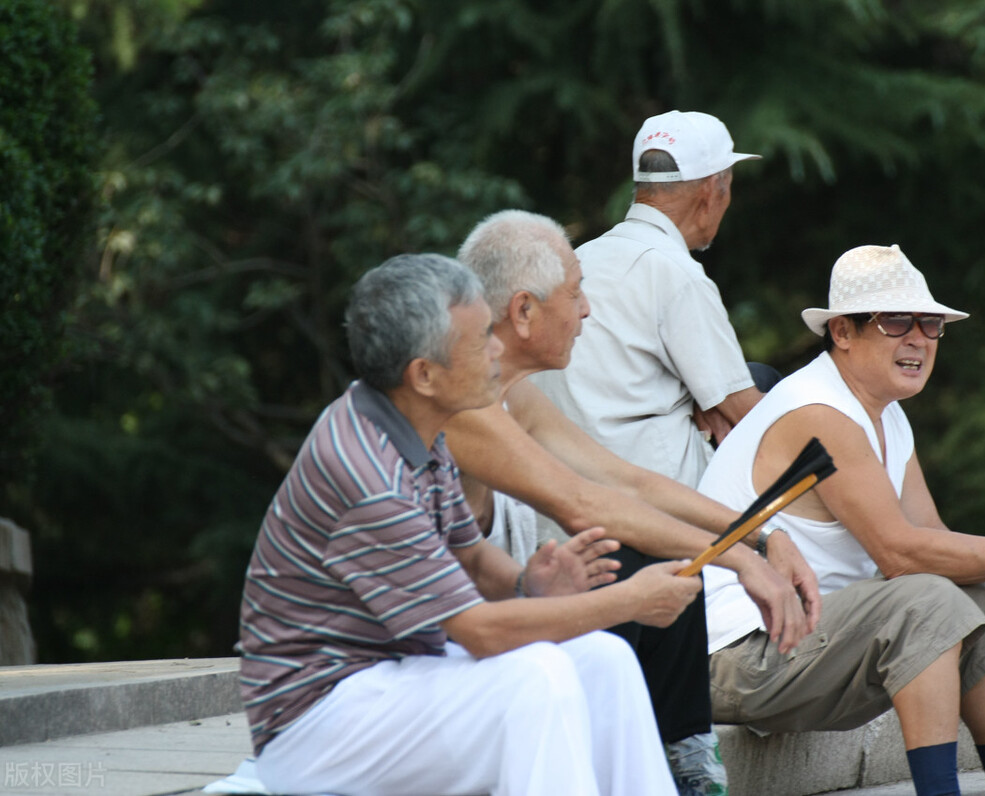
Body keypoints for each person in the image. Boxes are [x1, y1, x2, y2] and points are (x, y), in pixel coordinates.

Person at [236, 253, 702, 796]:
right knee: (537, 678)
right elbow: (480, 632)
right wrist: (630, 601)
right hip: (315, 724)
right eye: (482, 339)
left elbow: (474, 560)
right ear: (425, 375)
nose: (499, 348)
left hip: (392, 677)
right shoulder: (368, 475)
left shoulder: (418, 427)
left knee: (605, 659)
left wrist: (528, 585)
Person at [698, 244, 985, 796]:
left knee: (984, 603)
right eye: (896, 321)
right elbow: (900, 556)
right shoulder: (818, 412)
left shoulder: (886, 414)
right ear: (843, 334)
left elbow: (934, 542)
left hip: (799, 641)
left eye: (930, 323)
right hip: (735, 656)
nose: (918, 338)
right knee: (927, 600)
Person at [448, 210, 821, 796]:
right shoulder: (460, 402)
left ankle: (685, 760)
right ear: (523, 312)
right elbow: (583, 502)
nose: (588, 310)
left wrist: (762, 535)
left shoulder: (509, 394)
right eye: (576, 293)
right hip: (432, 653)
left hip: (487, 627)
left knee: (653, 564)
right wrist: (743, 560)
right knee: (631, 566)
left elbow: (629, 483)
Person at [532, 110, 764, 487]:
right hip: (645, 499)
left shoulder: (581, 256)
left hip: (556, 491)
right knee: (763, 393)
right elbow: (747, 411)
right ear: (712, 190)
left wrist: (701, 400)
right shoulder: (675, 272)